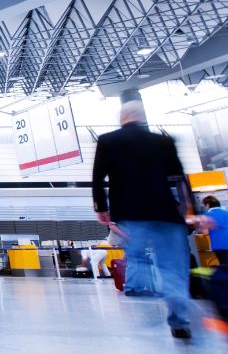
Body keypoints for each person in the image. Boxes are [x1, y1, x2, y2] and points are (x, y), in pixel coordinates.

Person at [92, 101, 196, 339]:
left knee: (136, 256)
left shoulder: (108, 141)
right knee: (173, 267)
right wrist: (191, 210)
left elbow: (98, 176)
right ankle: (178, 317)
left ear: (123, 117)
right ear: (142, 118)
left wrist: (101, 207)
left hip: (130, 213)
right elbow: (180, 178)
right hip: (166, 213)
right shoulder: (164, 141)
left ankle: (140, 287)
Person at [205, 196, 228, 265]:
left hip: (219, 245)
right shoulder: (226, 213)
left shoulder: (207, 215)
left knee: (224, 265)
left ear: (207, 205)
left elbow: (205, 232)